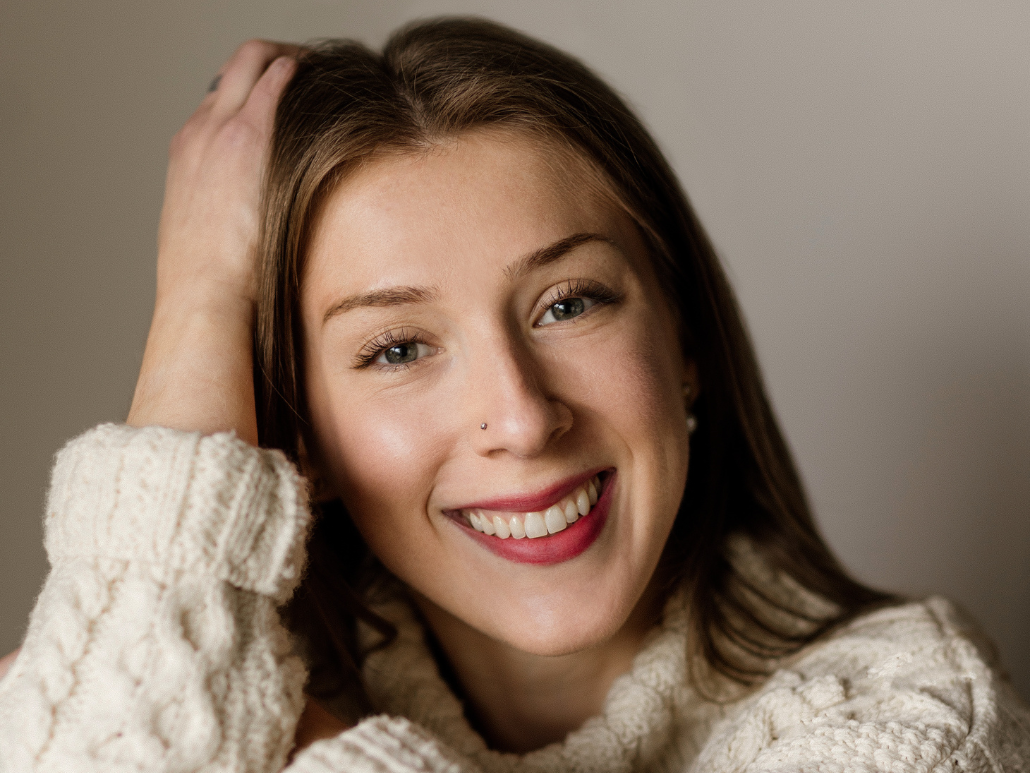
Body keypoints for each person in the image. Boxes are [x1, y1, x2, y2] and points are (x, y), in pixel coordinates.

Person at [0, 17, 1027, 772]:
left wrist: (311, 752)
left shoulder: (917, 721)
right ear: (293, 438)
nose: (523, 417)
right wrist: (200, 302)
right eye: (398, 348)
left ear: (683, 343)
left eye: (567, 303)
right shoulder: (194, 665)